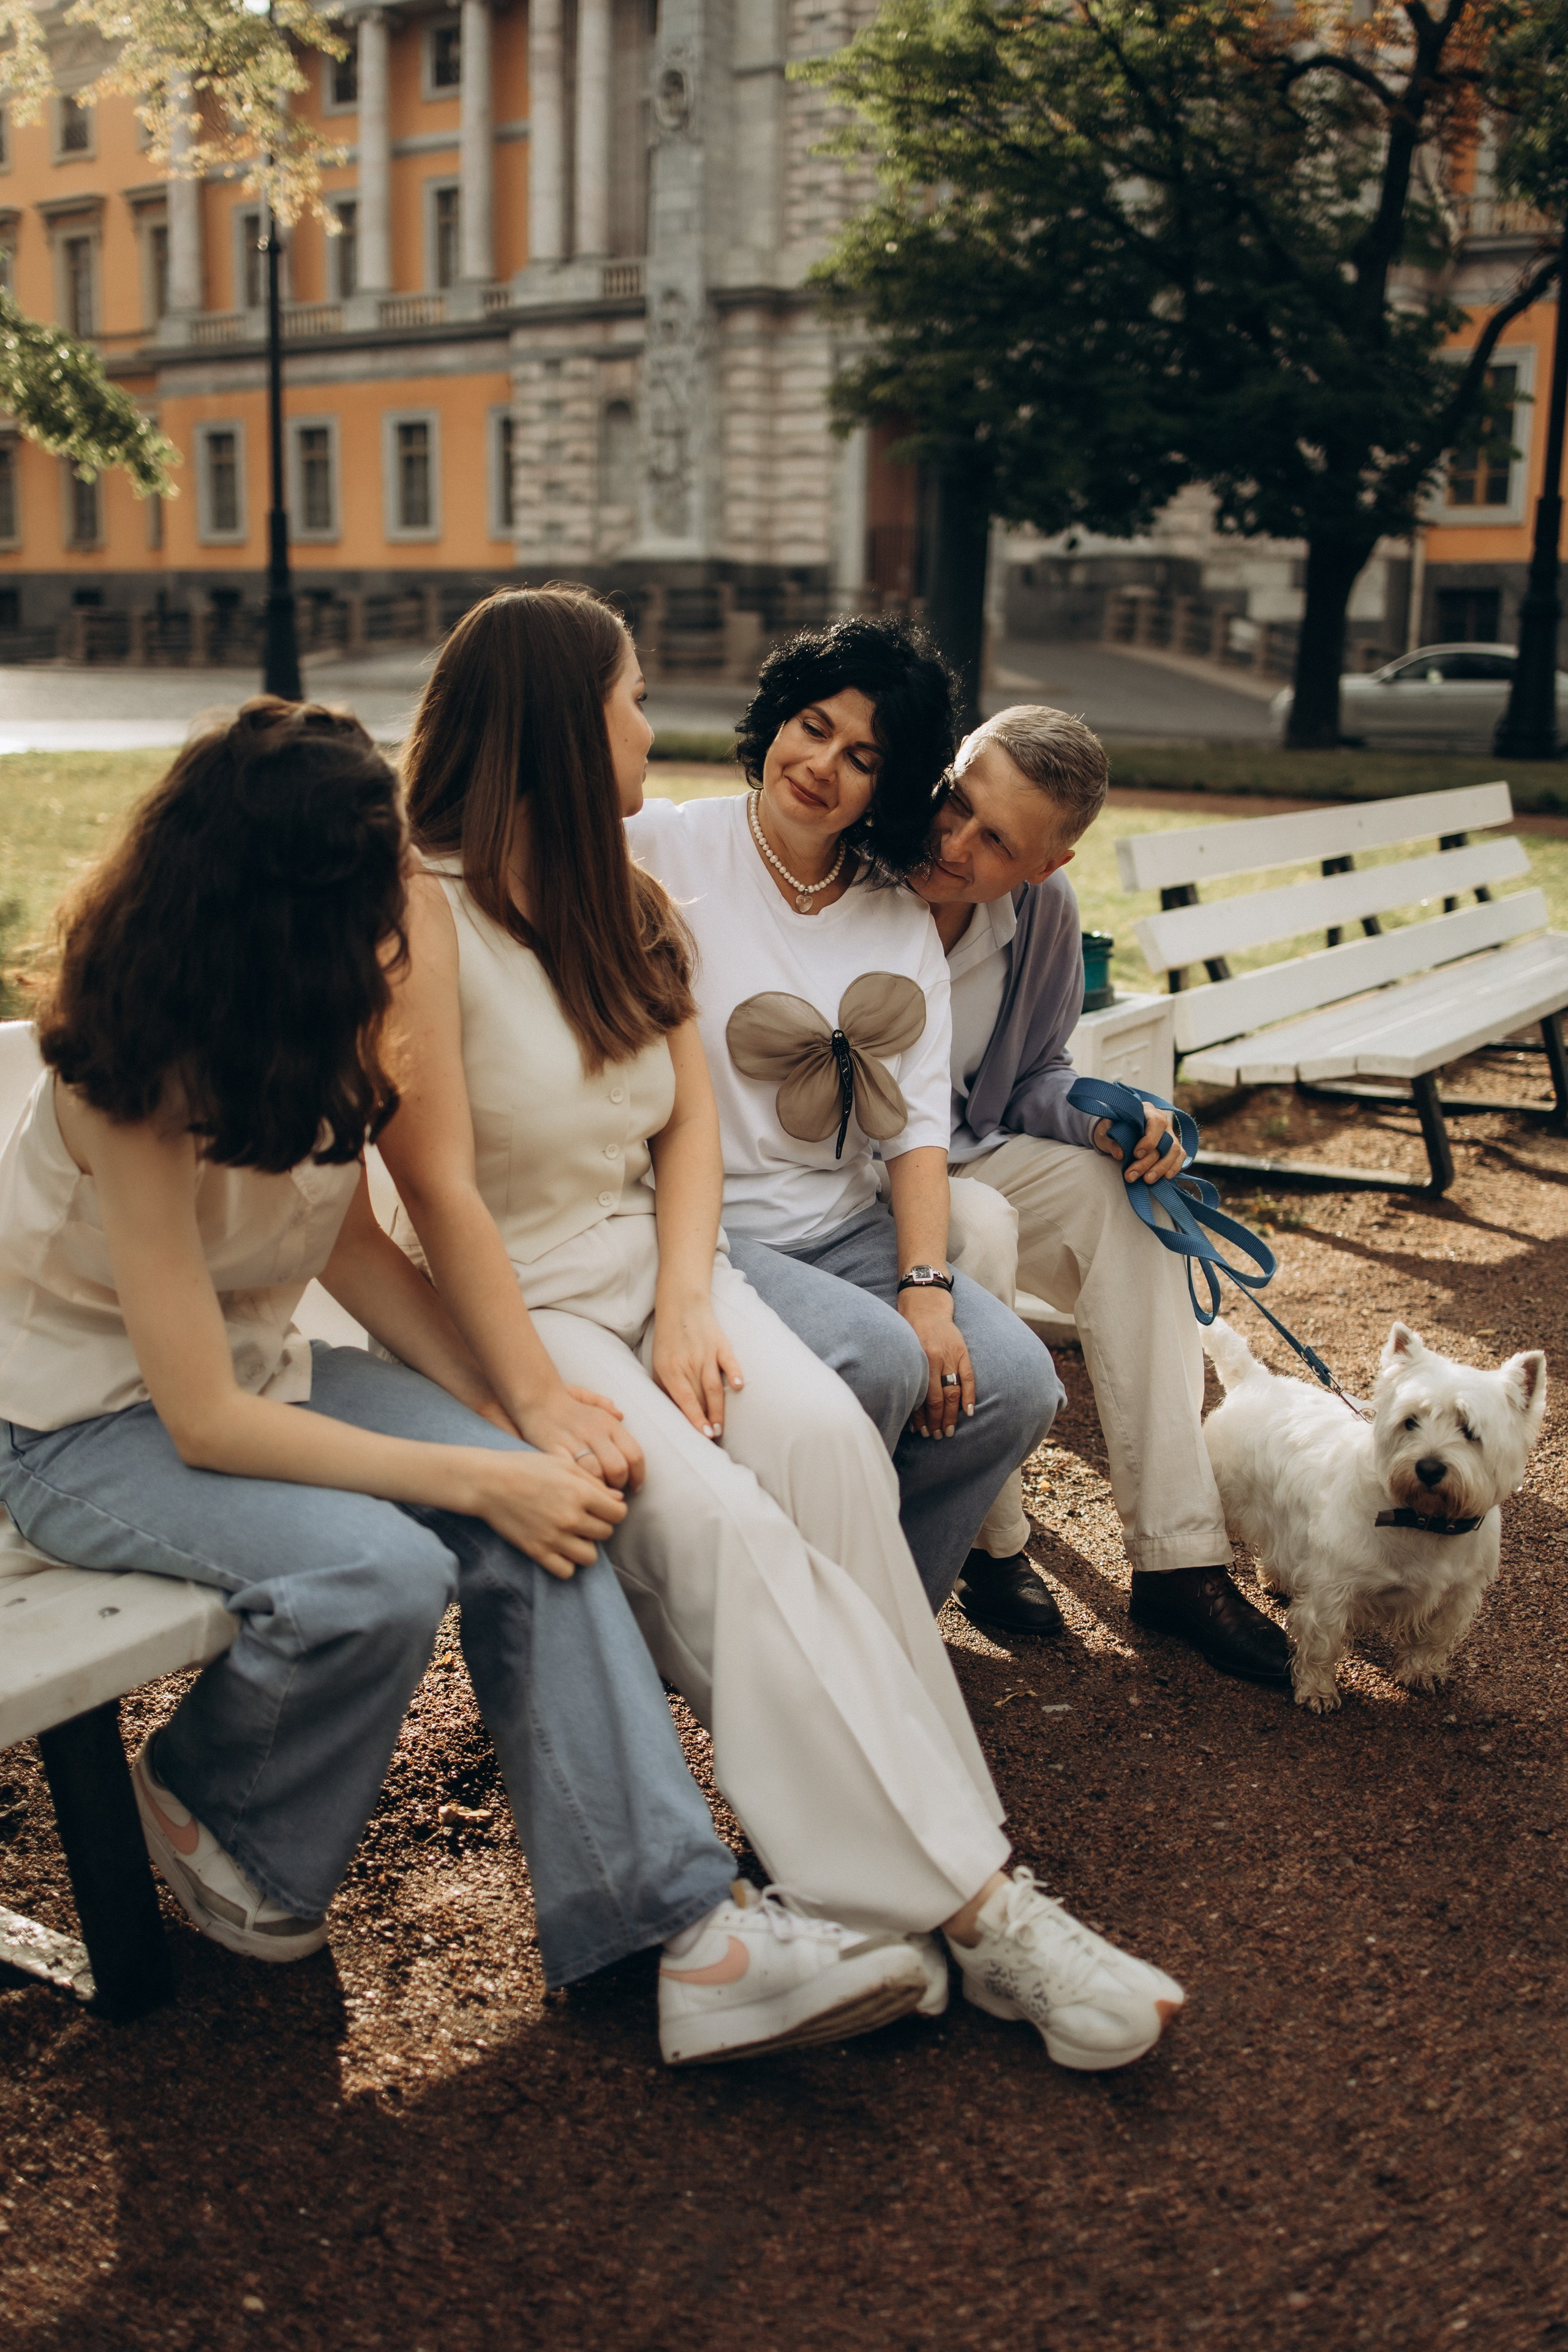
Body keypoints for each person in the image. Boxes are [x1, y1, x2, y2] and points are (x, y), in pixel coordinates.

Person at [0, 700, 950, 2068]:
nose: (404, 902)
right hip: (81, 1427)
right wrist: (469, 1464)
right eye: (375, 878)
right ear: (282, 900)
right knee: (383, 1570)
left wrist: (514, 1412)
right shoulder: (128, 1067)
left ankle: (686, 1932)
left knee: (539, 1501)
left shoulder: (319, 1007)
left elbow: (348, 1243)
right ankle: (210, 1797)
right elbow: (199, 1419)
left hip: (260, 1373)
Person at [379, 587, 1183, 2071]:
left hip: (654, 1268)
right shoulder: (422, 913)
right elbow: (429, 1198)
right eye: (627, 696)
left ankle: (908, 1863)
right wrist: (531, 1391)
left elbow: (682, 1127)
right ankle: (983, 1909)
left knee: (821, 1439)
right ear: (560, 725)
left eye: (861, 748)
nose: (648, 719)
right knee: (729, 1530)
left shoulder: (620, 898)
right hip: (526, 1307)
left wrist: (693, 1297)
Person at [627, 616, 1062, 1612]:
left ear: (890, 785)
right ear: (776, 717)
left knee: (1016, 1387)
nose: (823, 765)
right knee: (874, 1364)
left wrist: (926, 1286)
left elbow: (913, 1122)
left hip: (841, 1226)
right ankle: (772, 1625)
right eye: (812, 725)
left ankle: (878, 1622)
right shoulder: (659, 848)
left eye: (862, 756)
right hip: (709, 1234)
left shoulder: (893, 910)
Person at [908, 703, 1292, 1684]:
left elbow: (1032, 1072)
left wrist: (1106, 1114)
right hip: (852, 1180)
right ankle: (994, 1545)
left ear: (1044, 866)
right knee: (978, 1226)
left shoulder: (1041, 912)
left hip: (967, 1147)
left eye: (996, 842)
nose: (954, 841)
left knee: (1137, 1211)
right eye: (958, 801)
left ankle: (1180, 1559)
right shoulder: (870, 864)